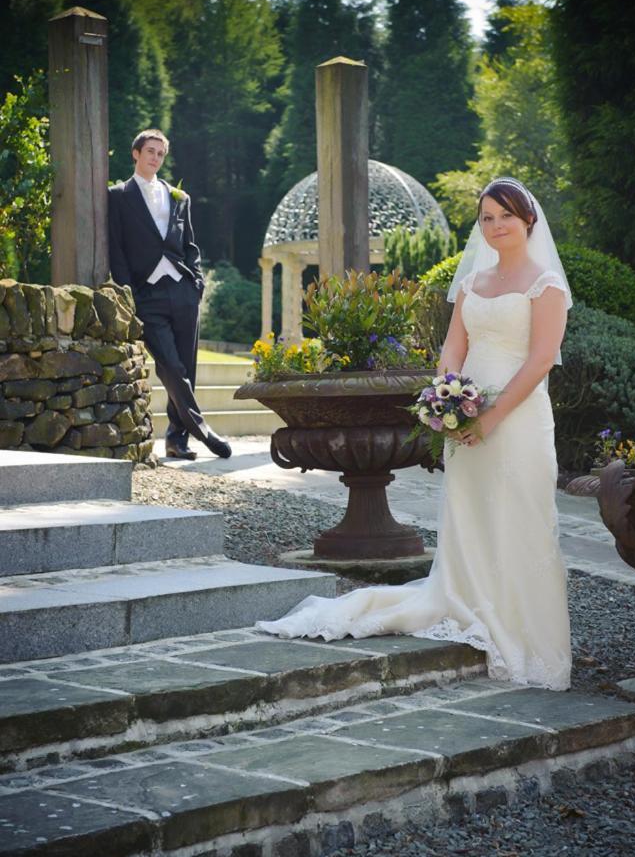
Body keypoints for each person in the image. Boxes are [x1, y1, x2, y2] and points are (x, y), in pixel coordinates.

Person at [257, 178, 572, 691]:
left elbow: (540, 361)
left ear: (528, 221)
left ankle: (523, 631)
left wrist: (490, 416)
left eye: (505, 216)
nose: (495, 226)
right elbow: (453, 345)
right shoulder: (473, 283)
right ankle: (469, 600)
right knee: (470, 513)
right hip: (464, 416)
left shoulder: (547, 285)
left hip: (518, 419)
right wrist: (448, 397)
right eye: (487, 218)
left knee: (521, 514)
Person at [107, 129, 231, 460]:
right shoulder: (118, 195)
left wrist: (198, 283)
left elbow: (190, 246)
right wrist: (126, 292)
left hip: (183, 289)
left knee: (186, 367)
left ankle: (177, 441)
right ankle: (202, 430)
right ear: (136, 153)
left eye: (161, 153)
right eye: (150, 151)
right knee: (170, 365)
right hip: (146, 293)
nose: (155, 158)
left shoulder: (179, 197)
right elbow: (116, 248)